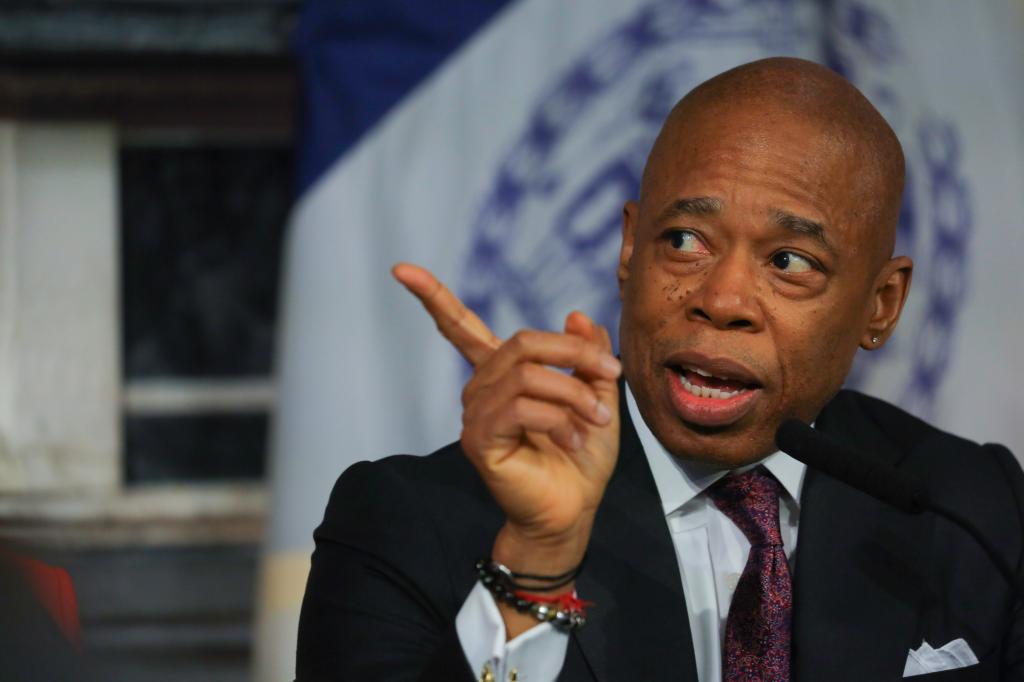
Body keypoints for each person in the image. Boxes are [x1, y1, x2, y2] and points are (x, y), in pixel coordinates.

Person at [296, 57, 1024, 681]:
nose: (721, 299)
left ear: (881, 305)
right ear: (627, 250)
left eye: (789, 262)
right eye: (684, 240)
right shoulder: (407, 523)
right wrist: (535, 569)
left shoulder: (969, 509)